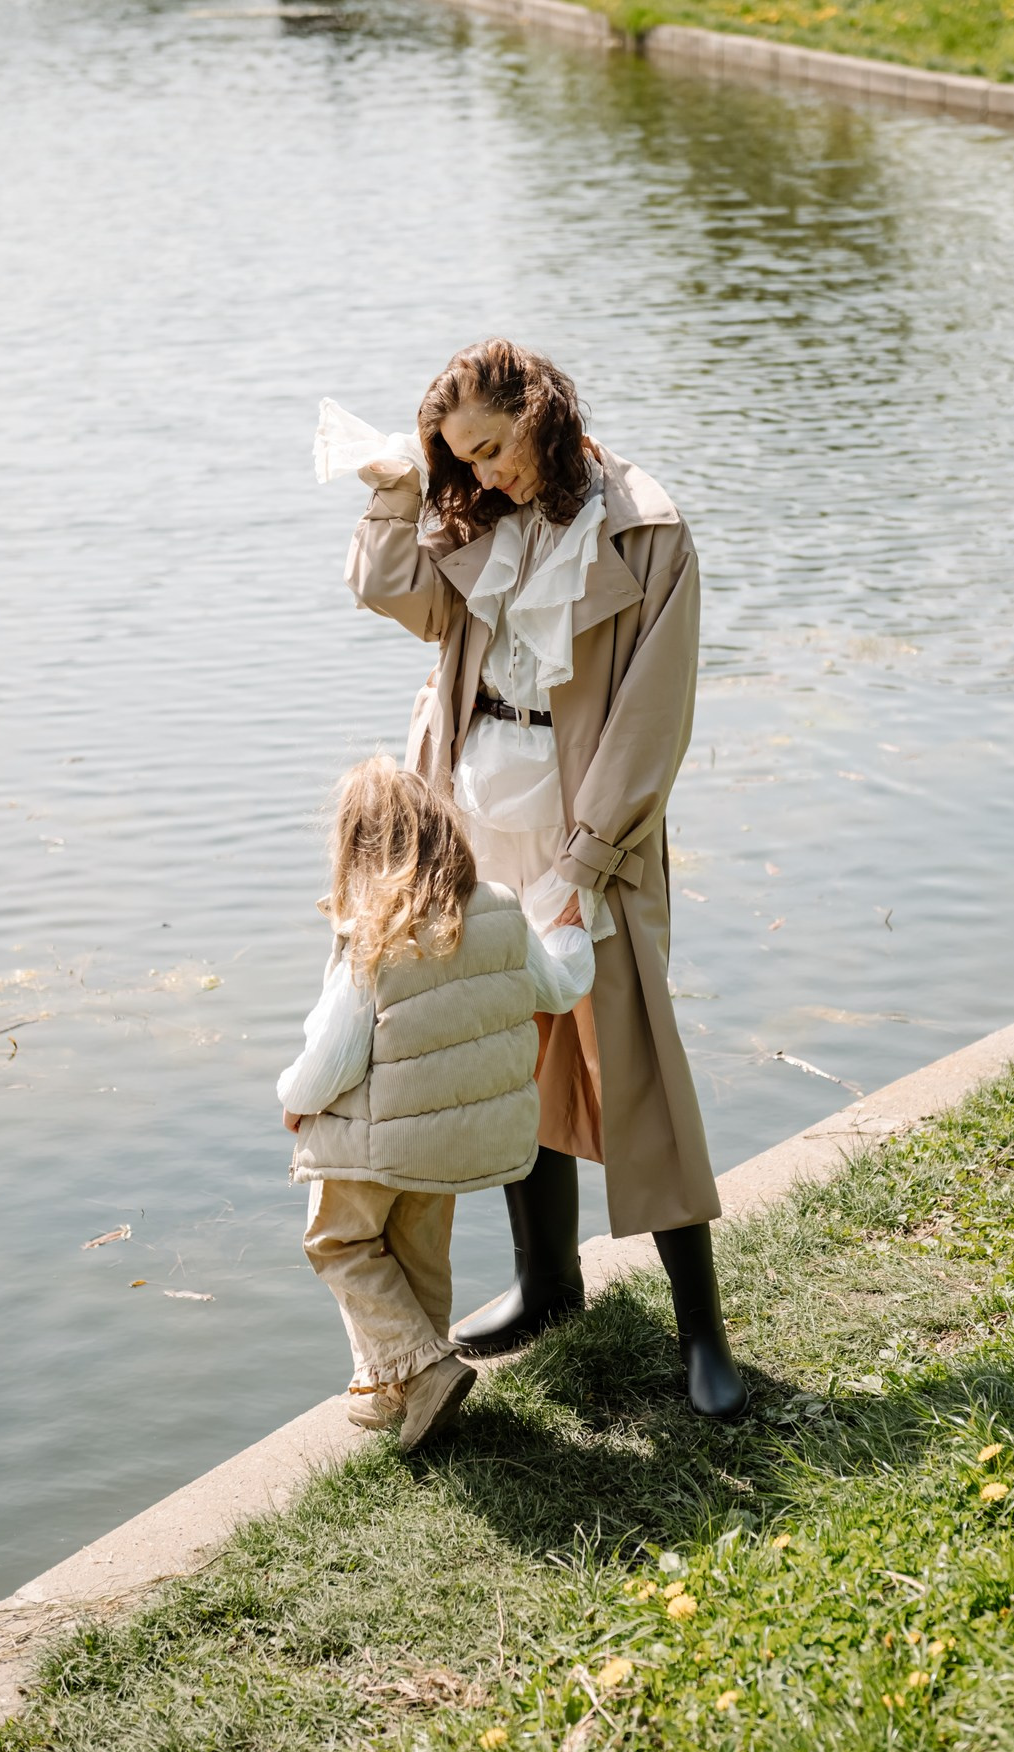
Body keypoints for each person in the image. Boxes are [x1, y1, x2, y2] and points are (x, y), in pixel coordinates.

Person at [327, 338, 747, 1419]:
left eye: (494, 446)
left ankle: (702, 1332)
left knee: (634, 1066)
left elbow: (651, 720)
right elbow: (388, 592)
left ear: (540, 411)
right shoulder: (475, 518)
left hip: (581, 825)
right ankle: (550, 1287)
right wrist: (392, 489)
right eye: (461, 457)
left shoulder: (647, 530)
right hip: (473, 809)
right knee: (517, 1050)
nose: (485, 472)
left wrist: (586, 858)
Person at [278, 756, 594, 1452]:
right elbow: (560, 987)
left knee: (340, 1244)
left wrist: (293, 1099)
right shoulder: (503, 911)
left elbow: (335, 1054)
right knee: (418, 1255)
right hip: (457, 1139)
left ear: (354, 852)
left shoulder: (373, 935)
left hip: (378, 1142)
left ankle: (420, 1370)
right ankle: (403, 1394)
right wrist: (569, 927)